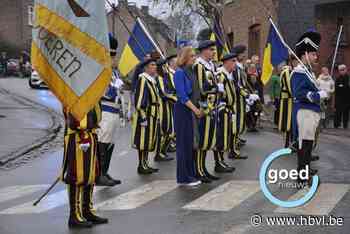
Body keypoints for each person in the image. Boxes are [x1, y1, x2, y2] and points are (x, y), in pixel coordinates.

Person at [62, 105, 108, 228]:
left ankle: (86, 210)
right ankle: (74, 215)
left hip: (89, 134)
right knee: (77, 175)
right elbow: (73, 119)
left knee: (90, 173)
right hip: (78, 136)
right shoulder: (74, 92)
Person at [291, 29, 326, 187]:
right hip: (303, 113)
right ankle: (302, 178)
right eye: (312, 54)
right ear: (305, 54)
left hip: (309, 113)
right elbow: (300, 93)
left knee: (308, 147)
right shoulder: (299, 72)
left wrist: (321, 91)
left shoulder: (307, 72)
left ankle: (304, 174)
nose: (315, 57)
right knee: (304, 148)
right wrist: (319, 95)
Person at [96, 34, 122, 186]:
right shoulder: (102, 71)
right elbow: (104, 93)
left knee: (110, 143)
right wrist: (115, 88)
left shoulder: (114, 72)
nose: (114, 60)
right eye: (112, 57)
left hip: (114, 111)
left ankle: (105, 171)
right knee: (103, 142)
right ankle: (99, 174)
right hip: (105, 110)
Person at [174, 46, 202, 187]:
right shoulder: (179, 73)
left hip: (191, 109)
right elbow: (182, 95)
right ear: (185, 57)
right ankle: (183, 177)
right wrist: (195, 109)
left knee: (190, 144)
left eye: (194, 56)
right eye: (191, 56)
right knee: (183, 145)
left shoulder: (190, 71)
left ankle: (191, 173)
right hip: (183, 110)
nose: (194, 58)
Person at [193, 40, 220, 183]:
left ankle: (203, 168)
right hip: (203, 106)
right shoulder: (199, 65)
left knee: (208, 140)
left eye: (213, 50)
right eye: (211, 50)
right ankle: (198, 170)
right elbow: (200, 89)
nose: (213, 52)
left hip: (211, 106)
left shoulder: (211, 66)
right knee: (202, 139)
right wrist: (214, 87)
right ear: (203, 51)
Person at [132, 56, 161, 174]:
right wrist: (142, 116)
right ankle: (141, 165)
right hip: (146, 114)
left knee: (149, 140)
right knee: (143, 141)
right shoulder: (143, 79)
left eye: (155, 65)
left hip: (153, 113)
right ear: (146, 68)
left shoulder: (151, 80)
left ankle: (145, 163)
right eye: (152, 65)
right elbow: (139, 100)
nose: (155, 67)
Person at [214, 53, 239, 173]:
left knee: (226, 136)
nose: (235, 64)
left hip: (228, 109)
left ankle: (221, 160)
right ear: (226, 62)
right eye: (233, 61)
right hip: (222, 109)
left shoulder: (228, 75)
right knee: (220, 137)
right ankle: (218, 162)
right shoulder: (221, 75)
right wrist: (220, 105)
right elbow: (218, 93)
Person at [229, 45, 250, 159]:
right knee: (235, 124)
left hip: (240, 99)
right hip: (236, 100)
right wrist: (245, 94)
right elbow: (236, 85)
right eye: (242, 53)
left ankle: (234, 145)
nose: (244, 55)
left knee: (239, 123)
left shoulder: (239, 67)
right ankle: (233, 149)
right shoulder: (235, 68)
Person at [154, 57, 176, 162]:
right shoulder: (159, 78)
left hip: (168, 106)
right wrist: (176, 98)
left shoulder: (166, 77)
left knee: (170, 132)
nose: (166, 68)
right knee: (164, 131)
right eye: (164, 66)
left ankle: (163, 151)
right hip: (162, 107)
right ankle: (159, 153)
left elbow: (172, 89)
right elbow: (164, 93)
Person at [334, 64, 350, 129]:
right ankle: (337, 124)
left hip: (347, 97)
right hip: (339, 98)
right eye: (340, 70)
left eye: (343, 70)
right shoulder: (338, 78)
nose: (342, 71)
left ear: (346, 70)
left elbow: (347, 87)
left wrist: (342, 86)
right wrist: (342, 87)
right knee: (338, 111)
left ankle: (345, 125)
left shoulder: (348, 78)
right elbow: (337, 88)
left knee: (346, 112)